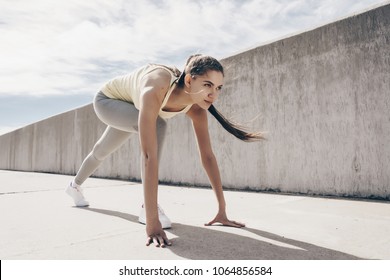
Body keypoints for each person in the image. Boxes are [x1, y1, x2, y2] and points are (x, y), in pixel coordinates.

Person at [65, 54, 264, 247]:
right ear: (188, 80)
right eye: (207, 85)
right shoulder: (158, 85)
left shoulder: (197, 109)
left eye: (218, 87)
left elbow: (208, 156)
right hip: (109, 101)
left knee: (101, 149)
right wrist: (152, 222)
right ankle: (147, 208)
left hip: (134, 105)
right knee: (153, 128)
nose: (214, 94)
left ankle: (74, 186)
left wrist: (222, 210)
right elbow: (148, 155)